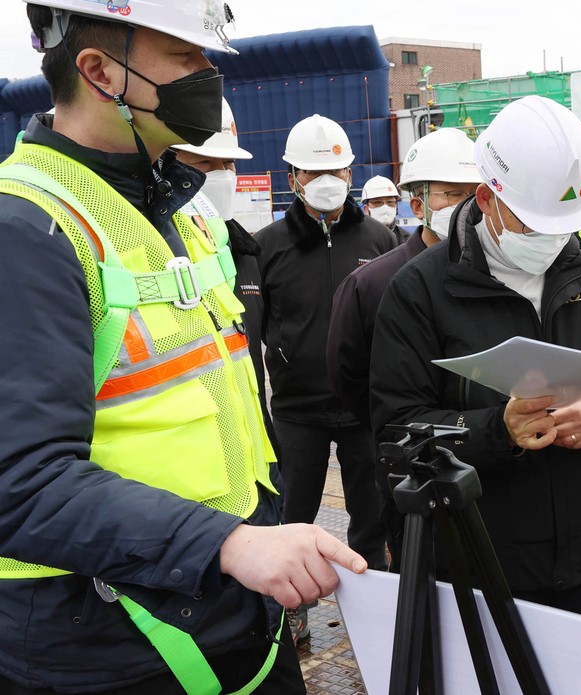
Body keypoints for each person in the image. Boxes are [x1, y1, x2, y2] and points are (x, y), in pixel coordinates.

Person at [0, 3, 367, 692]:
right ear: (99, 71)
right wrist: (229, 542)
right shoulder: (27, 228)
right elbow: (19, 483)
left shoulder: (176, 210)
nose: (210, 75)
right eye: (187, 57)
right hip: (112, 647)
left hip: (223, 613)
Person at [369, 95, 581, 625]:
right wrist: (499, 430)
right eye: (536, 223)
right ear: (486, 198)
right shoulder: (420, 291)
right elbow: (395, 435)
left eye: (563, 223)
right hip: (481, 566)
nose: (552, 239)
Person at [257, 113, 398, 638]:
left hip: (364, 406)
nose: (326, 180)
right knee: (293, 516)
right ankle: (291, 613)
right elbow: (254, 327)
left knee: (372, 514)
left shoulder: (379, 239)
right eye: (314, 171)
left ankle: (375, 611)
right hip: (298, 411)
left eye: (337, 169)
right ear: (291, 176)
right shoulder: (267, 246)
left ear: (351, 171)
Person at [327, 127, 482, 571]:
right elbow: (348, 374)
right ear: (417, 205)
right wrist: (398, 423)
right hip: (411, 467)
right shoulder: (373, 283)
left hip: (483, 459)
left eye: (477, 193)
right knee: (424, 584)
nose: (469, 206)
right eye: (454, 194)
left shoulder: (494, 274)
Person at [171, 97, 276, 449]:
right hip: (192, 450)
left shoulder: (245, 253)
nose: (222, 174)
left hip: (252, 442)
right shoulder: (156, 255)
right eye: (204, 162)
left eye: (228, 163)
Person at [361, 174, 403, 240]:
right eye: (377, 202)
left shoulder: (408, 241)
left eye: (390, 202)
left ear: (396, 207)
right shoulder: (357, 239)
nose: (385, 207)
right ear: (366, 209)